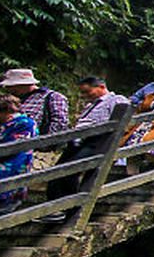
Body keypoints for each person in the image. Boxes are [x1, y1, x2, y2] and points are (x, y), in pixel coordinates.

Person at [40, 76, 132, 216]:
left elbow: (123, 122)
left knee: (71, 169)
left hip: (97, 141)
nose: (85, 96)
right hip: (78, 141)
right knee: (57, 172)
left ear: (101, 87)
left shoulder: (117, 100)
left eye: (88, 92)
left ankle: (68, 208)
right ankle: (54, 208)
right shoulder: (91, 105)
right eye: (83, 93)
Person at [0, 68, 68, 137]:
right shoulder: (13, 99)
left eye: (12, 86)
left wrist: (45, 143)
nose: (9, 89)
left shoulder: (53, 97)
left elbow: (60, 123)